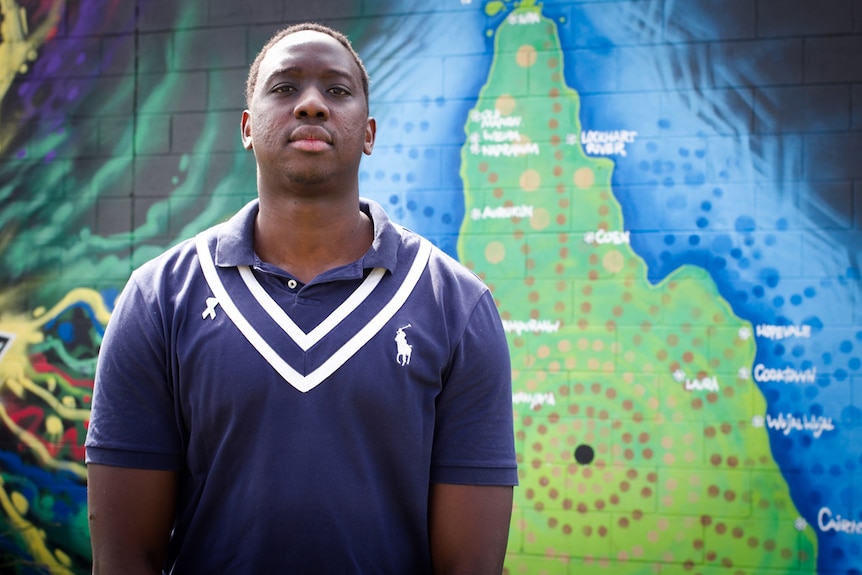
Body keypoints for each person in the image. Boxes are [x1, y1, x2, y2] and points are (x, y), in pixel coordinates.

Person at [85, 22, 517, 574]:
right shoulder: (157, 298)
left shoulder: (457, 306)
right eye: (285, 88)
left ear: (368, 132)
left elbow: (471, 565)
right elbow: (124, 557)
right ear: (247, 127)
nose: (311, 104)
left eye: (337, 91)